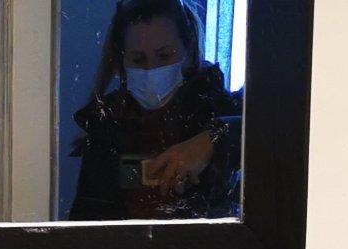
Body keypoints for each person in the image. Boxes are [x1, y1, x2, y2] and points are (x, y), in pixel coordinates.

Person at [69, 0, 243, 220]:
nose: (151, 69)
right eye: (138, 59)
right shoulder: (105, 126)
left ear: (189, 53)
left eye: (165, 56)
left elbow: (273, 132)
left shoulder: (218, 108)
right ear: (122, 61)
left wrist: (215, 139)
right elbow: (85, 223)